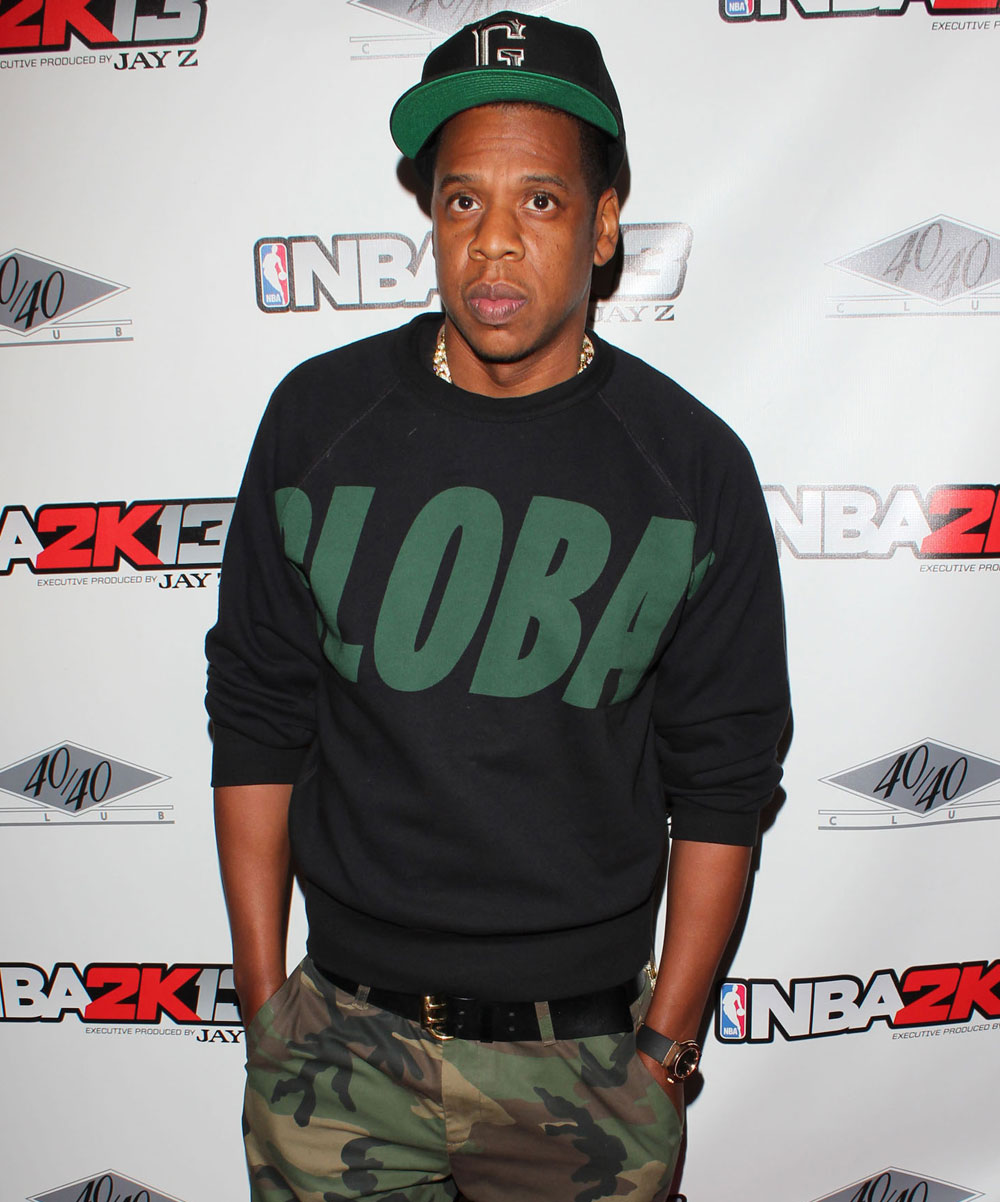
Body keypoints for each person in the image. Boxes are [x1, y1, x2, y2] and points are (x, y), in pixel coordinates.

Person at [206, 11, 789, 1201]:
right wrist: (268, 1013)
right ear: (430, 217)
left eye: (541, 201)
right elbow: (258, 717)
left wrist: (664, 1053)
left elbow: (724, 781)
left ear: (603, 225)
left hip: (584, 1074)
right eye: (462, 200)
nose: (494, 242)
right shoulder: (318, 422)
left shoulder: (689, 466)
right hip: (339, 1058)